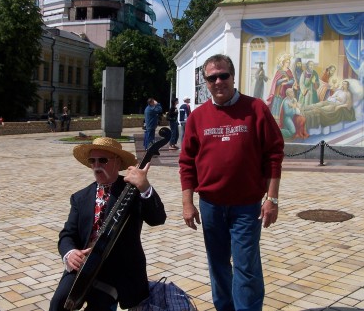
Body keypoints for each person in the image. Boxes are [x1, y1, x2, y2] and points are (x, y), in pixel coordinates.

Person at [179, 54, 284, 311]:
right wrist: (187, 204)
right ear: (206, 82)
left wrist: (272, 199)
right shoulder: (198, 117)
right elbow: (186, 162)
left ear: (233, 76)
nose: (218, 81)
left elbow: (274, 154)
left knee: (246, 266)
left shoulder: (256, 109)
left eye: (223, 75)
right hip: (211, 206)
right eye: (211, 77)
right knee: (218, 266)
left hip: (246, 207)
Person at [49, 137, 166, 311]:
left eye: (103, 160)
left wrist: (145, 187)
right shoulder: (80, 197)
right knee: (58, 302)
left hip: (118, 268)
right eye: (92, 161)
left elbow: (157, 218)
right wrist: (70, 253)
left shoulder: (131, 191)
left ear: (117, 162)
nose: (97, 165)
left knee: (100, 304)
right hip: (85, 265)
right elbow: (67, 234)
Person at [267, 53, 294, 121]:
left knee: (284, 106)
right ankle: (275, 120)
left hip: (286, 92)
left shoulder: (289, 71)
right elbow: (276, 82)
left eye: (289, 62)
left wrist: (286, 83)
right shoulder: (279, 71)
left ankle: (282, 119)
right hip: (278, 92)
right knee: (276, 106)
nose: (288, 64)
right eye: (287, 62)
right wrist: (283, 79)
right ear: (283, 63)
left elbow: (292, 81)